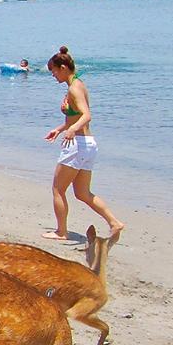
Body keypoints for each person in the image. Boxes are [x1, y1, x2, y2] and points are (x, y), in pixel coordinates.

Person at [43, 46, 124, 242]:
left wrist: (71, 130)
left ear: (63, 67)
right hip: (87, 144)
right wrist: (62, 128)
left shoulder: (74, 88)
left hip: (77, 144)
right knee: (82, 193)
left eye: (53, 71)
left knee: (58, 189)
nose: (53, 75)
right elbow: (77, 115)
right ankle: (114, 222)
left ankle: (61, 231)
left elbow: (87, 116)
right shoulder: (78, 83)